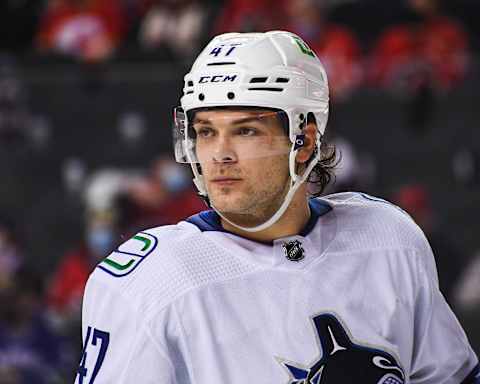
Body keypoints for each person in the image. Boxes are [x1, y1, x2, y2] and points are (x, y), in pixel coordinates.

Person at [74, 31, 479, 383]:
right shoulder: (150, 282)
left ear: (303, 139)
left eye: (246, 130)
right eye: (206, 132)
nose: (220, 155)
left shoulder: (387, 239)